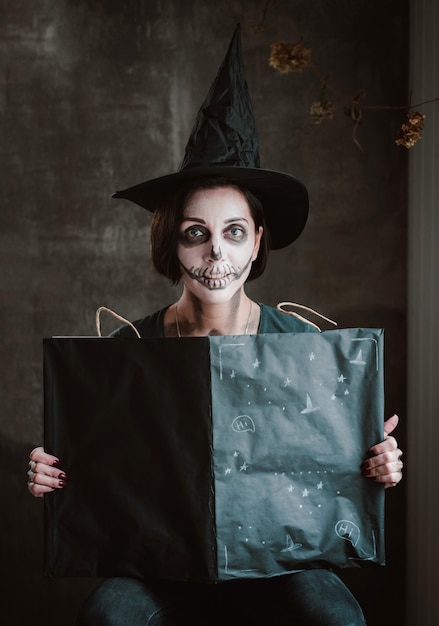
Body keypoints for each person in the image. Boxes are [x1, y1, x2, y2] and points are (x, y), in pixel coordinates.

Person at [27, 25, 403, 626]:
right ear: (173, 245)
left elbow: (333, 475)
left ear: (257, 242)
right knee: (108, 615)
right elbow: (98, 467)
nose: (215, 254)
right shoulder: (131, 348)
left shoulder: (303, 347)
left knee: (336, 616)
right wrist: (53, 471)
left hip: (284, 562)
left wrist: (376, 465)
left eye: (233, 231)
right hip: (163, 566)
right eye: (195, 232)